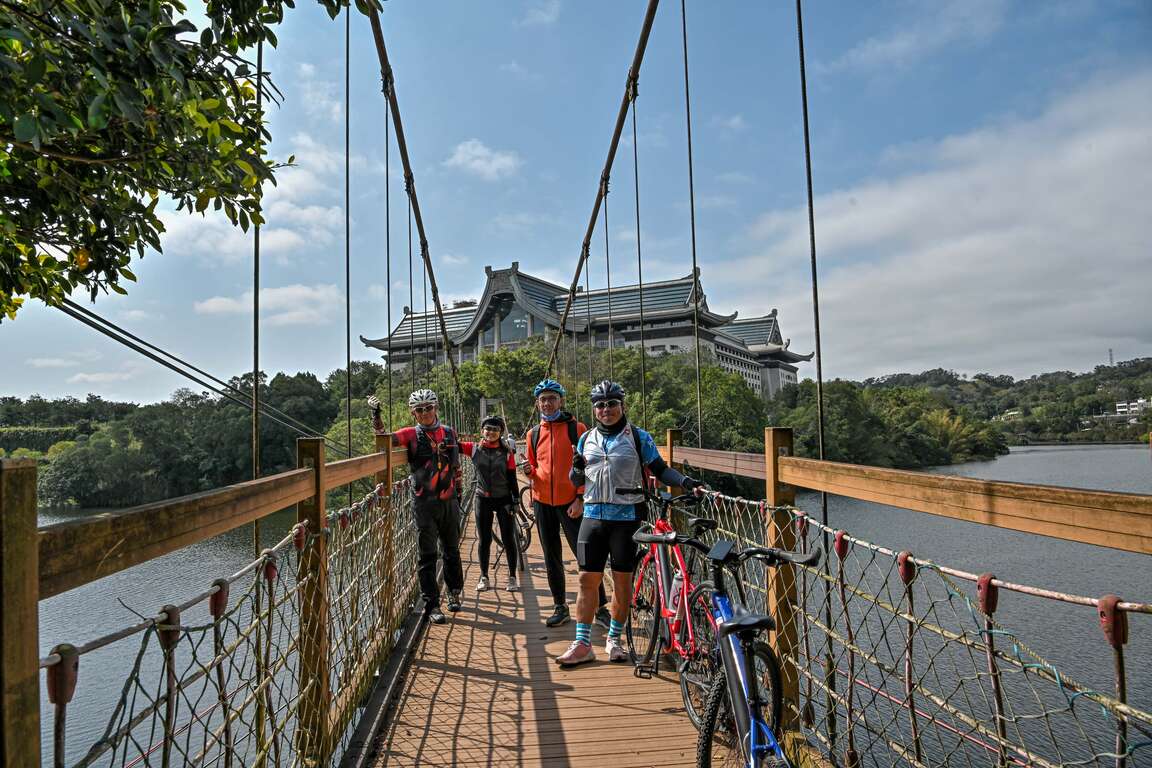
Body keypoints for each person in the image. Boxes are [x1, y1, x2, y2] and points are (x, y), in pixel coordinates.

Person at [555, 380, 705, 667]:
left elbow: (660, 470)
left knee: (622, 582)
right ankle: (582, 644)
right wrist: (575, 469)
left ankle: (614, 640)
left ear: (622, 406)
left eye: (612, 403)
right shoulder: (586, 439)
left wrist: (686, 483)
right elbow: (576, 481)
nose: (606, 409)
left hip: (626, 519)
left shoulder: (638, 437)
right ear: (594, 409)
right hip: (593, 517)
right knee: (587, 580)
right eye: (600, 404)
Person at [369, 389, 465, 625]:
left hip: (449, 501)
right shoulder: (411, 434)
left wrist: (459, 493)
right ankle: (432, 604)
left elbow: (457, 466)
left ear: (436, 408)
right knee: (427, 555)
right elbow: (385, 439)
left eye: (428, 408)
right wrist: (376, 416)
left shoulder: (450, 433)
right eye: (419, 410)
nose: (425, 413)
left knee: (452, 550)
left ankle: (454, 593)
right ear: (413, 413)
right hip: (424, 503)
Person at [524, 378, 611, 629]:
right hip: (542, 502)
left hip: (571, 502)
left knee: (586, 555)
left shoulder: (578, 429)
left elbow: (589, 467)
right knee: (551, 556)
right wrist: (529, 473)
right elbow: (533, 467)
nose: (547, 403)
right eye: (543, 399)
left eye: (552, 398)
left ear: (561, 400)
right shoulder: (533, 433)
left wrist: (580, 497)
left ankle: (600, 607)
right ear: (537, 403)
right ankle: (560, 606)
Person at [459, 415, 521, 592]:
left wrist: (516, 500)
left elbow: (512, 478)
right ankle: (484, 576)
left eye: (495, 429)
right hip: (482, 498)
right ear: (482, 431)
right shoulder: (473, 449)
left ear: (501, 432)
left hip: (504, 499)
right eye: (488, 429)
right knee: (484, 539)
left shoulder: (507, 452)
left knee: (508, 539)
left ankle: (512, 577)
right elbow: (451, 444)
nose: (491, 432)